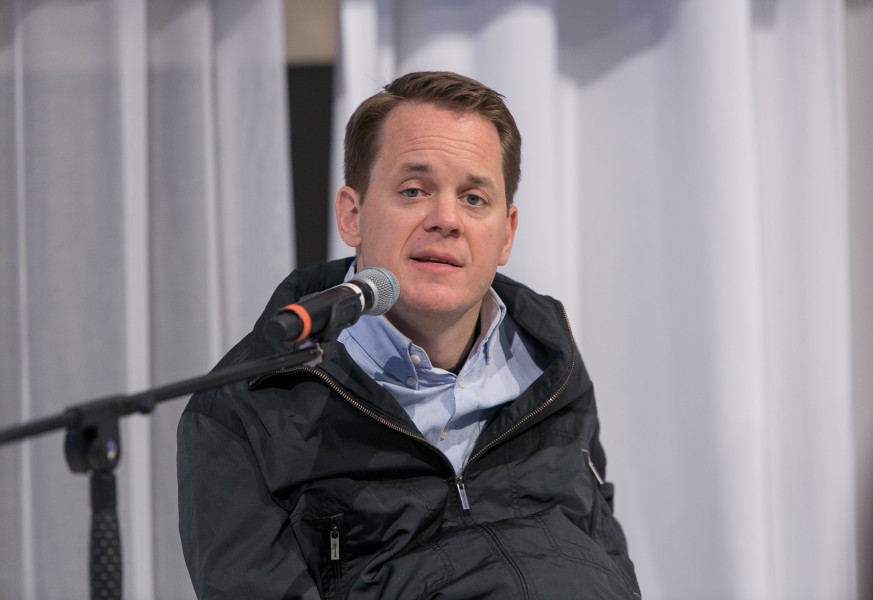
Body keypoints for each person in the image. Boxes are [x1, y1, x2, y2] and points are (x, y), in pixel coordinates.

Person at [177, 71, 641, 599]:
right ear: (352, 215)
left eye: (474, 198)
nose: (446, 219)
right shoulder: (243, 411)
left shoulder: (551, 362)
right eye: (414, 190)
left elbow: (607, 558)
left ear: (506, 234)